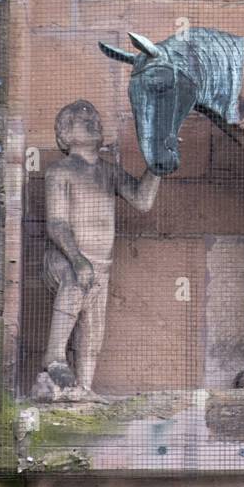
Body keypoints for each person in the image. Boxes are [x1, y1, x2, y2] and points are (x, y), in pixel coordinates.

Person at [38, 99, 160, 399]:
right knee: (73, 286)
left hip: (101, 263)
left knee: (93, 328)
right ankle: (54, 358)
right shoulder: (60, 172)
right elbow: (56, 224)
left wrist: (158, 165)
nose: (93, 120)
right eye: (82, 118)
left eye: (94, 116)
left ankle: (85, 386)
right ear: (64, 134)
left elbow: (142, 200)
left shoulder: (109, 171)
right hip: (66, 259)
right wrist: (77, 259)